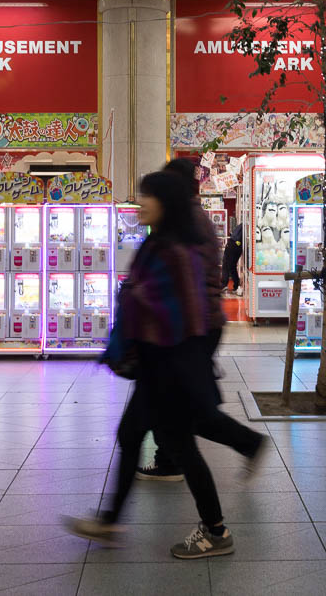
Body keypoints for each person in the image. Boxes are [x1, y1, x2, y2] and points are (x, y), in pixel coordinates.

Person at [64, 171, 238, 559]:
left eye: (148, 197)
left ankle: (216, 531)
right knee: (135, 438)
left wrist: (138, 308)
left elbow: (185, 319)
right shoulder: (159, 244)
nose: (140, 203)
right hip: (156, 369)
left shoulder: (175, 253)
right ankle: (111, 522)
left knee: (176, 446)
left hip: (167, 371)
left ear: (167, 203)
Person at [135, 159, 264, 482]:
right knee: (184, 404)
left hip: (194, 326)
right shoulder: (191, 216)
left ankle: (177, 460)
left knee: (185, 407)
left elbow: (182, 281)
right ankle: (181, 455)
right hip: (200, 323)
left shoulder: (185, 219)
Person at [221, 222, 244, 295]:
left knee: (226, 264)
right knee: (232, 266)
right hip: (239, 246)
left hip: (233, 244)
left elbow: (235, 235)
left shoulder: (243, 224)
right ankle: (236, 285)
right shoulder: (247, 225)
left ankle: (224, 285)